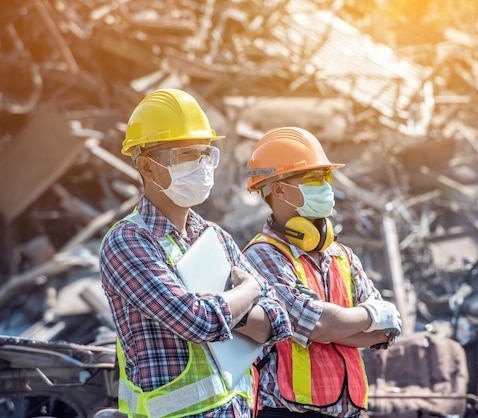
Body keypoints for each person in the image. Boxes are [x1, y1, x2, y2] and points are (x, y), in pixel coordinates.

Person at [99, 88, 291, 418]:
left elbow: (278, 321)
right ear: (146, 166)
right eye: (186, 155)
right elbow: (196, 320)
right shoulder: (128, 242)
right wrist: (249, 290)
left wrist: (230, 309)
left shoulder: (213, 236)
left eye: (206, 153)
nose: (201, 165)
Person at [243, 127, 403, 417]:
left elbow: (384, 333)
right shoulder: (262, 255)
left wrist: (336, 325)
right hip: (287, 411)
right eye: (314, 178)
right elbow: (318, 325)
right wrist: (369, 316)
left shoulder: (341, 255)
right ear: (278, 189)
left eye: (326, 176)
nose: (326, 186)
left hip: (347, 409)